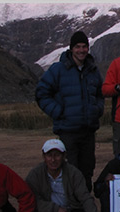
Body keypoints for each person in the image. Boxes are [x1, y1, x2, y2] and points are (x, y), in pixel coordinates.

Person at [35, 31, 104, 191]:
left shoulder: (92, 70)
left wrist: (97, 110)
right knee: (70, 172)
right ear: (71, 49)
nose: (81, 50)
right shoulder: (58, 69)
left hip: (88, 132)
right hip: (68, 132)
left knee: (87, 171)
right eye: (78, 47)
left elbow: (100, 94)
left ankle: (85, 209)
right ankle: (72, 209)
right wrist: (59, 112)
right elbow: (41, 93)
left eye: (84, 47)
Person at [25, 139, 110, 212]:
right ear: (44, 156)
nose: (53, 160)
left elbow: (85, 198)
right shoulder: (35, 174)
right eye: (49, 155)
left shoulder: (74, 173)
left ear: (64, 156)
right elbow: (32, 200)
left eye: (57, 155)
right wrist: (55, 209)